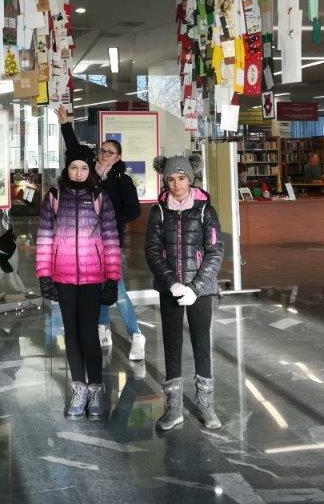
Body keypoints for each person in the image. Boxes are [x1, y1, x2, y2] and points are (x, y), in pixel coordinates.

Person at [35, 143, 121, 420]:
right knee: (71, 334)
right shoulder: (54, 196)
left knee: (89, 333)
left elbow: (111, 238)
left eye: (84, 167)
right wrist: (44, 275)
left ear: (90, 170)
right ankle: (79, 388)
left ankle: (95, 388)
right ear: (67, 168)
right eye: (74, 167)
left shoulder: (99, 197)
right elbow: (44, 237)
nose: (79, 172)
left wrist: (113, 278)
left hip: (93, 276)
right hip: (63, 276)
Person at [57, 107, 144, 360]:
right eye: (102, 151)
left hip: (110, 242)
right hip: (88, 244)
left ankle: (137, 335)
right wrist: (65, 125)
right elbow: (75, 150)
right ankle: (103, 328)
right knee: (99, 288)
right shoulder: (90, 175)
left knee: (117, 290)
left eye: (110, 152)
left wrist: (110, 219)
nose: (104, 155)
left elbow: (134, 210)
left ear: (118, 157)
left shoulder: (122, 180)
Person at [146, 153, 224, 432]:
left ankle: (206, 405)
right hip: (171, 290)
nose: (176, 184)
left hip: (200, 291)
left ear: (190, 179)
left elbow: (215, 251)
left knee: (202, 344)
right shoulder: (158, 212)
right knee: (171, 344)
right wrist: (172, 283)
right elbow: (153, 251)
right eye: (170, 179)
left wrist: (196, 287)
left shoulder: (206, 211)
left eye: (181, 178)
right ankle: (174, 408)